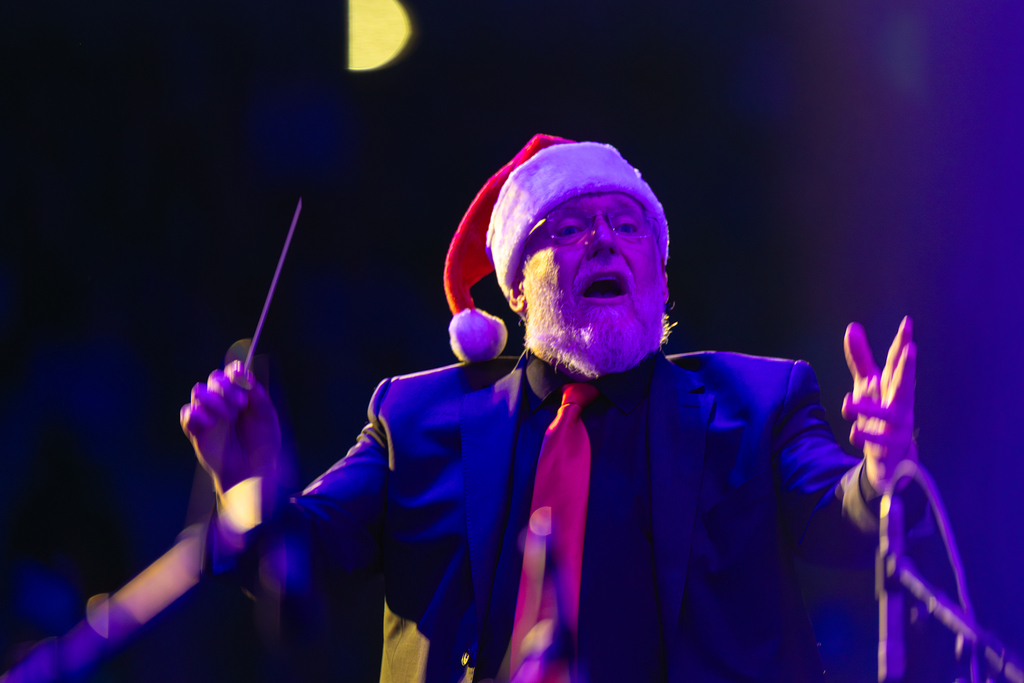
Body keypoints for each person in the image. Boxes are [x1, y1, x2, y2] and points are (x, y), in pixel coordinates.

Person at [180, 135, 918, 683]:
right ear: (516, 290)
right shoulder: (413, 419)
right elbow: (296, 558)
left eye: (629, 227)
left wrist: (882, 475)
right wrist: (249, 483)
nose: (603, 239)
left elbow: (844, 517)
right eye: (566, 228)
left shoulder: (760, 403)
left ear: (659, 280)